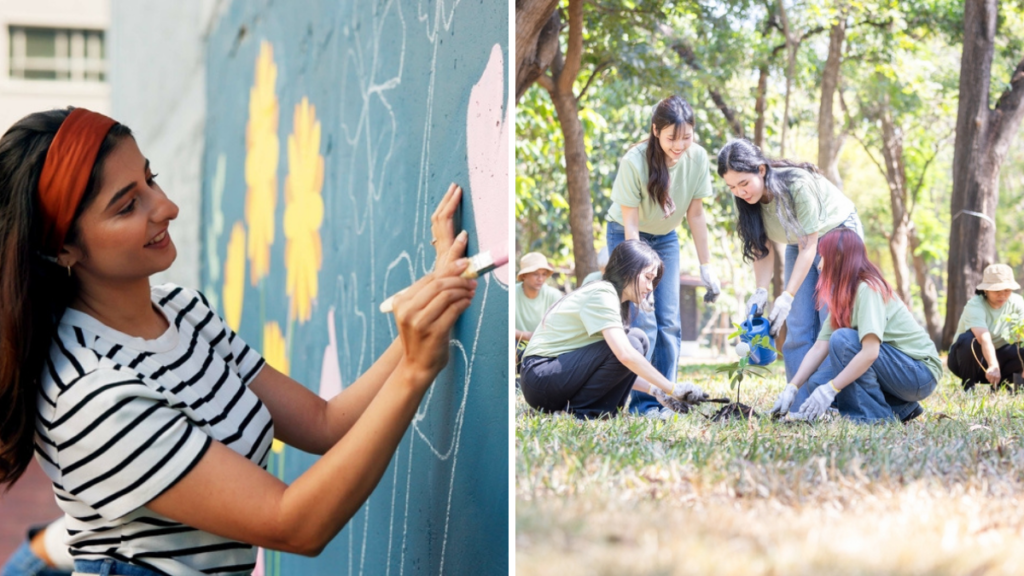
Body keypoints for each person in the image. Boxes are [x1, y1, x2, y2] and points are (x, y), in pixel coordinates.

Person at [0, 108, 476, 576]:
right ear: (63, 247)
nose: (166, 207)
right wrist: (414, 371)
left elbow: (325, 423)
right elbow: (295, 526)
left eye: (152, 179)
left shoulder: (180, 310)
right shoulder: (91, 397)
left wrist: (430, 300)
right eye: (127, 205)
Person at [605, 95, 720, 417]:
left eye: (687, 136)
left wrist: (706, 265)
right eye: (672, 137)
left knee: (669, 321)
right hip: (628, 237)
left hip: (667, 237)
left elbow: (695, 215)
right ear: (656, 131)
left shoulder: (697, 159)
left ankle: (668, 399)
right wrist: (639, 270)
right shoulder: (634, 161)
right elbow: (629, 222)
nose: (680, 145)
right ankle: (644, 404)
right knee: (644, 319)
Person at [717, 138, 863, 381]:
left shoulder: (796, 185)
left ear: (761, 170)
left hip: (838, 233)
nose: (739, 192)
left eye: (743, 183)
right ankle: (797, 397)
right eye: (732, 187)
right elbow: (761, 249)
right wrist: (761, 290)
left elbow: (810, 247)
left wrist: (787, 296)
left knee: (830, 319)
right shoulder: (747, 201)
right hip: (801, 240)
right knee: (797, 322)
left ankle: (832, 398)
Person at [519, 240, 708, 420]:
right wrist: (672, 388)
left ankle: (586, 411)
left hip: (551, 378)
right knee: (633, 342)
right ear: (628, 271)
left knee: (638, 339)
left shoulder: (615, 300)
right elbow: (625, 355)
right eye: (648, 278)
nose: (650, 287)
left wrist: (655, 391)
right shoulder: (603, 293)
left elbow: (612, 367)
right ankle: (584, 412)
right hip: (539, 378)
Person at [769, 228, 940, 423]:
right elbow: (819, 348)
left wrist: (832, 389)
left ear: (840, 258)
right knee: (818, 381)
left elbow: (870, 353)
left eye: (824, 257)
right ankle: (901, 409)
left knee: (843, 341)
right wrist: (792, 387)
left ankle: (873, 417)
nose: (820, 265)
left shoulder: (867, 289)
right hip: (899, 369)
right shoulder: (844, 296)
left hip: (919, 372)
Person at [947, 264, 1024, 390]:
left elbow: (1022, 335)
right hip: (969, 362)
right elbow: (984, 339)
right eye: (997, 291)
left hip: (1001, 360)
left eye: (1007, 290)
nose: (1002, 295)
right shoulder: (975, 305)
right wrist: (993, 365)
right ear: (986, 290)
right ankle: (968, 387)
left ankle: (1014, 387)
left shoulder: (1018, 302)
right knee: (969, 340)